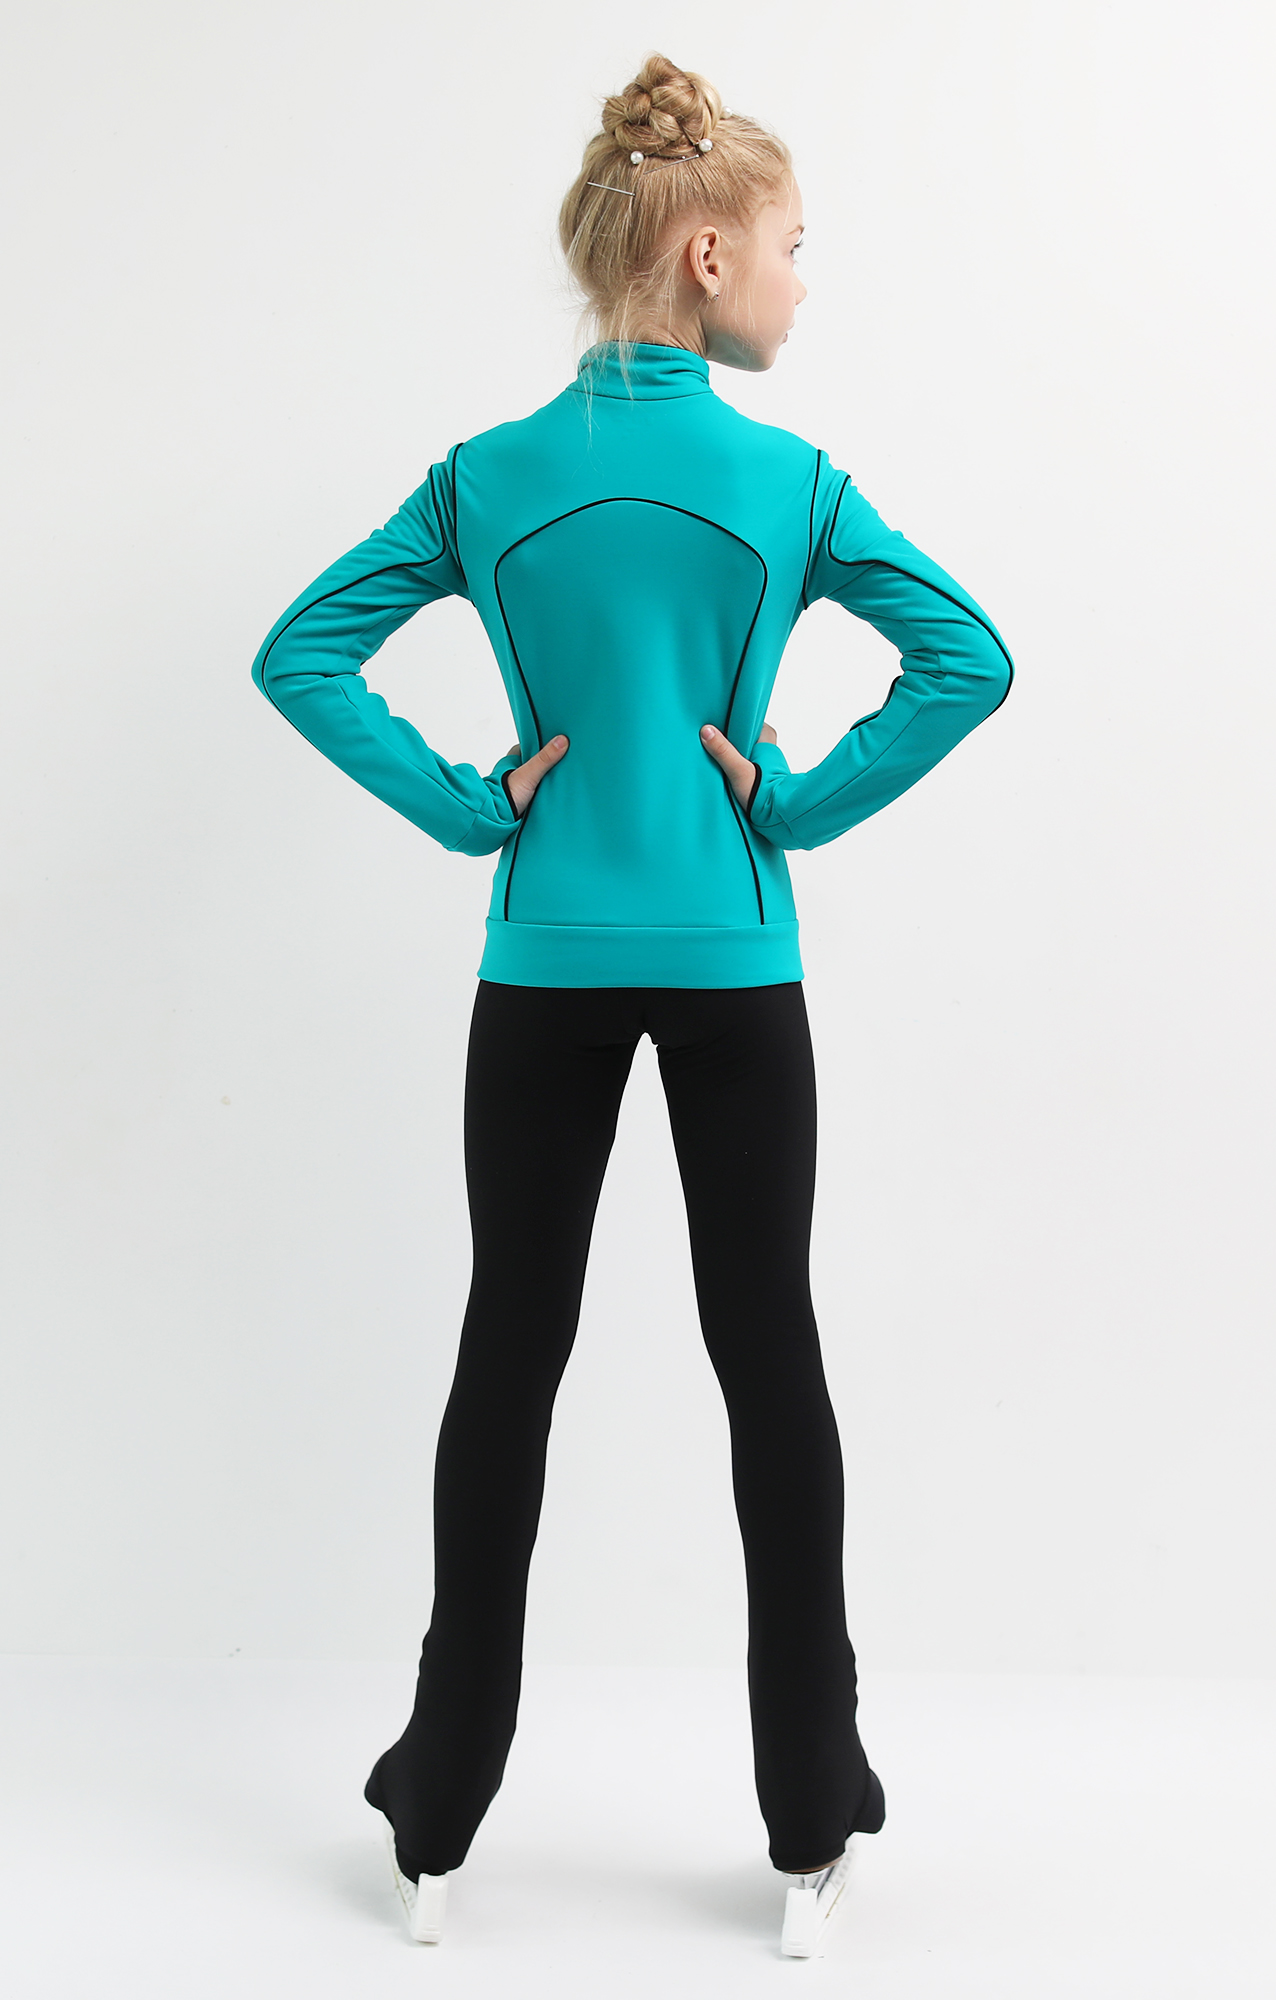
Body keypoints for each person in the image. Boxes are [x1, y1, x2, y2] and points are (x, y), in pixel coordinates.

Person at [249, 52, 1014, 1955]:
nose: (804, 283)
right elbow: (968, 657)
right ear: (705, 258)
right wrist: (797, 805)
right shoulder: (788, 484)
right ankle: (813, 1802)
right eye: (794, 247)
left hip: (542, 970)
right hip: (738, 969)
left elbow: (303, 651)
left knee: (509, 1356)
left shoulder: (487, 480)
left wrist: (468, 807)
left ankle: (437, 1803)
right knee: (772, 1361)